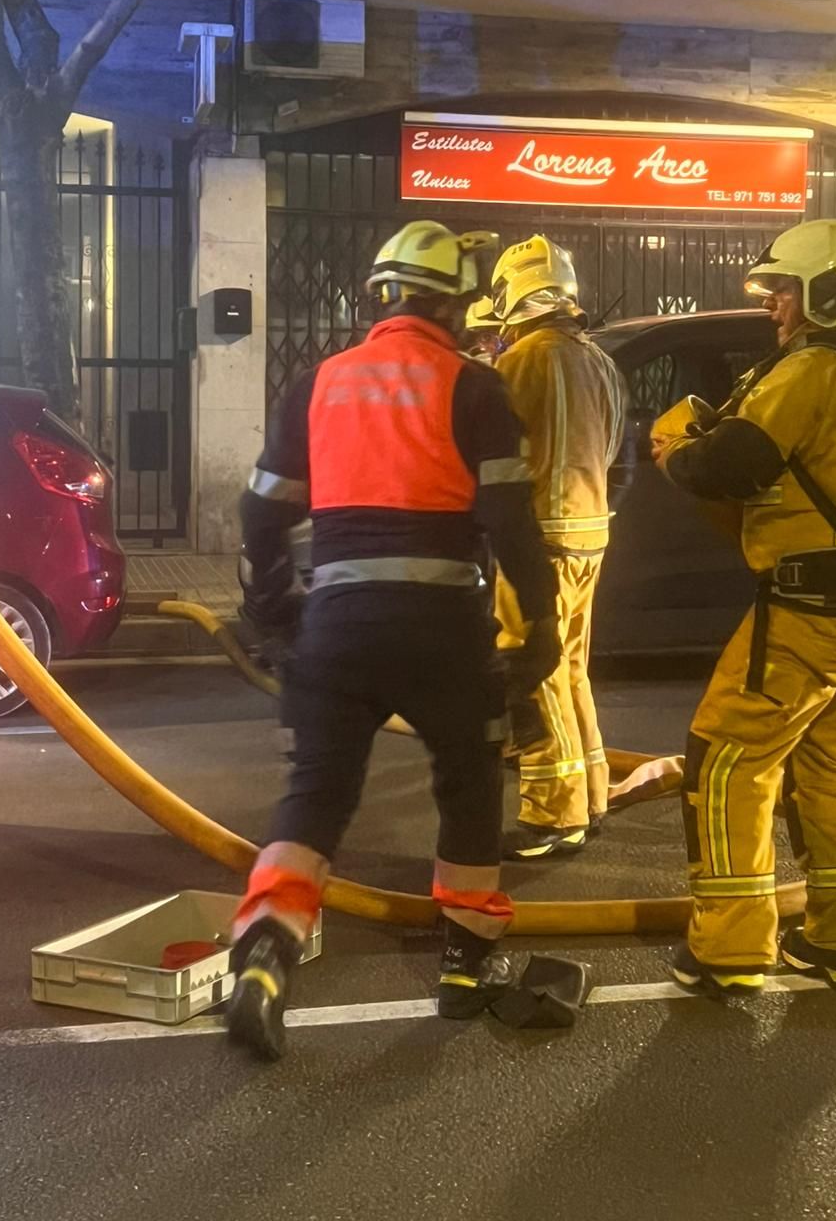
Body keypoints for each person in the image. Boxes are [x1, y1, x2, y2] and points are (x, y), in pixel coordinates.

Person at [227, 221, 561, 1060]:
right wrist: (543, 620)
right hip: (444, 628)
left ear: (379, 298)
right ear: (454, 305)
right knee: (469, 784)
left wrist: (275, 610)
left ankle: (266, 952)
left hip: (337, 625)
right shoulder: (476, 388)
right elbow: (510, 521)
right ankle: (465, 968)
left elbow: (261, 512)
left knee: (318, 792)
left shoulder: (317, 384)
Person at [652, 219, 836, 998]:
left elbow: (730, 465)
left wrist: (677, 448)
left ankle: (730, 950)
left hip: (808, 615)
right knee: (834, 766)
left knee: (726, 762)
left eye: (786, 290)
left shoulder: (817, 368)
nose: (773, 304)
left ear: (832, 293)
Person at [488, 235, 629, 860]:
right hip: (590, 530)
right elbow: (614, 447)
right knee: (569, 666)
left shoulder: (522, 360)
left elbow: (491, 455)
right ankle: (592, 794)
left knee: (532, 669)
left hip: (540, 537)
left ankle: (554, 814)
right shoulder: (598, 360)